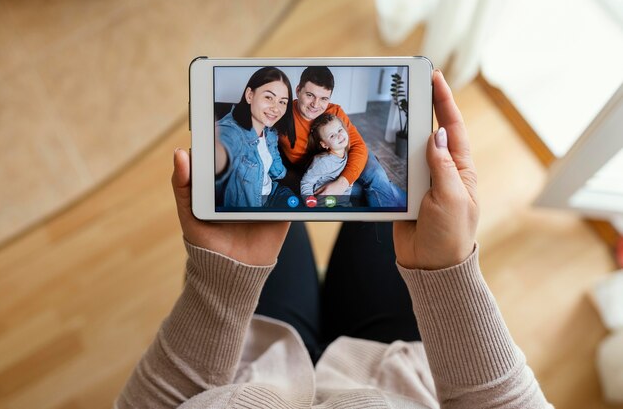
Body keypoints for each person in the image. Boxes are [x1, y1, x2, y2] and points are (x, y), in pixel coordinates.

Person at [116, 70, 553, 408]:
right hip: (395, 362)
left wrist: (219, 283)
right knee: (369, 217)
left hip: (255, 356)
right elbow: (257, 156)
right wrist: (448, 271)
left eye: (314, 99)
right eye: (305, 97)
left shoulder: (334, 116)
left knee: (372, 192)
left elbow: (357, 148)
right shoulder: (282, 126)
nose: (312, 104)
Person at [279, 66, 406, 208]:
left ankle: (393, 221)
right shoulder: (282, 114)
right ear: (298, 91)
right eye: (310, 95)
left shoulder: (334, 111)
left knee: (377, 175)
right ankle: (412, 205)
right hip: (322, 171)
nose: (315, 104)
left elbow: (358, 146)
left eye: (324, 98)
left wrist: (342, 183)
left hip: (346, 154)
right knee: (373, 189)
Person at [215, 66, 296, 207]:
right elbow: (223, 147)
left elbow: (278, 172)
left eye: (282, 102)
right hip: (255, 209)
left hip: (274, 193)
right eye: (269, 97)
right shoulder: (231, 133)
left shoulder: (270, 131)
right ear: (249, 95)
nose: (276, 108)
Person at [300, 113, 352, 207]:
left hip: (343, 203)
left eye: (340, 130)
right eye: (332, 136)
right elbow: (306, 183)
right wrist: (311, 205)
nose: (339, 136)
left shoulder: (347, 151)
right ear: (324, 144)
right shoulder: (323, 162)